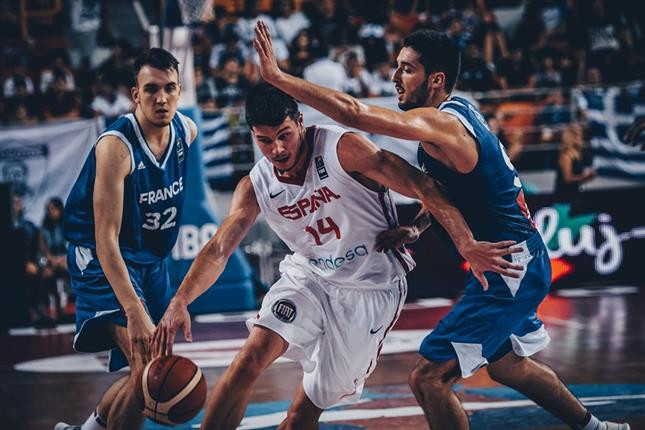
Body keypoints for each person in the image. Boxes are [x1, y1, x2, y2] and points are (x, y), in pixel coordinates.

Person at [253, 22, 631, 430]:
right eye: (397, 66)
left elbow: (354, 113)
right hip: (510, 261)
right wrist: (417, 227)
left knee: (429, 378)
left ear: (435, 79)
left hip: (509, 265)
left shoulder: (444, 126)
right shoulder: (458, 112)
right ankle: (599, 428)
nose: (395, 77)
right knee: (508, 366)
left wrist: (278, 78)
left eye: (407, 69)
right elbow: (448, 190)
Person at [152, 83, 522, 429]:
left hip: (369, 289)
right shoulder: (256, 184)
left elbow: (425, 185)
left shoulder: (343, 150)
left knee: (300, 417)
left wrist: (446, 237)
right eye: (265, 141)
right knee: (248, 360)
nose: (278, 149)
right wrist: (179, 301)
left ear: (300, 122)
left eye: (284, 135)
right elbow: (219, 248)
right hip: (309, 277)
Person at [54, 48, 197, 430]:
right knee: (147, 366)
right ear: (135, 94)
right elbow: (105, 239)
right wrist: (133, 310)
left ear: (180, 90)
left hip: (150, 260)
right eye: (151, 89)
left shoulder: (187, 130)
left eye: (169, 88)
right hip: (102, 257)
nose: (161, 98)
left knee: (148, 371)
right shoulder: (116, 147)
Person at [555, 123, 596, 196]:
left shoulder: (578, 155)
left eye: (581, 135)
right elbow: (567, 179)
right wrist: (584, 177)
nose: (581, 138)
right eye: (578, 136)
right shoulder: (566, 155)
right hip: (564, 195)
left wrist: (587, 177)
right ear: (571, 137)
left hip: (575, 193)